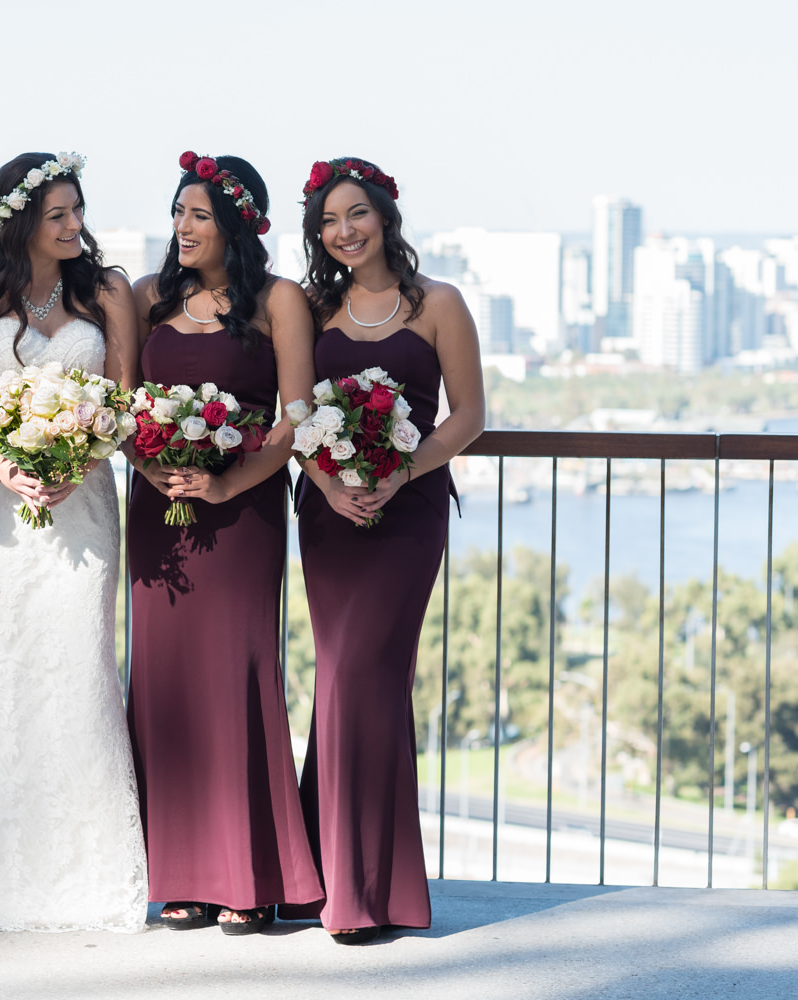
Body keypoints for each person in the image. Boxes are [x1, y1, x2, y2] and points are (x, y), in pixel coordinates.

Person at [0, 151, 148, 933]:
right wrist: (9, 465)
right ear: (21, 221)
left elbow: (122, 404)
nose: (76, 225)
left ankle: (86, 871)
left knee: (77, 663)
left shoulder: (108, 293)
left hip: (83, 505)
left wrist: (72, 459)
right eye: (59, 215)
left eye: (78, 210)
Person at [125, 152, 323, 936]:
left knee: (237, 676)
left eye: (199, 215)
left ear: (236, 222)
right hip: (157, 507)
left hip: (243, 511)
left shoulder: (279, 300)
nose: (181, 227)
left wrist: (227, 484)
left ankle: (246, 872)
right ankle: (179, 874)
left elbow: (298, 415)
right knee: (166, 684)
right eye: (178, 212)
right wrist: (155, 463)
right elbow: (119, 406)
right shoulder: (145, 297)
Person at [292, 156, 484, 943]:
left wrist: (400, 472)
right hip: (329, 514)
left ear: (384, 216)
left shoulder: (439, 303)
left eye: (355, 216)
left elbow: (468, 415)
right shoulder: (309, 308)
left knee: (364, 677)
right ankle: (333, 879)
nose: (343, 232)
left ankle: (355, 887)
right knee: (340, 678)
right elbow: (297, 417)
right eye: (328, 222)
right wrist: (332, 485)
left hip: (408, 514)